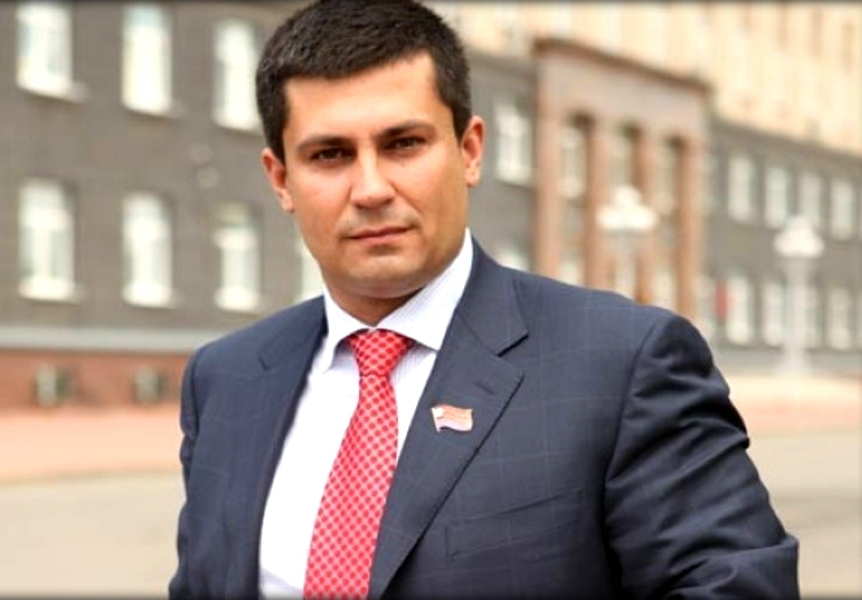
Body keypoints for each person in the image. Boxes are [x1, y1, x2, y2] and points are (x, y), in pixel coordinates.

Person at [169, 1, 799, 598]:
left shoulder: (623, 364)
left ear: (469, 151)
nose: (371, 189)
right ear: (281, 179)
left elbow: (735, 584)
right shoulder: (226, 380)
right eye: (330, 155)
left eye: (403, 144)